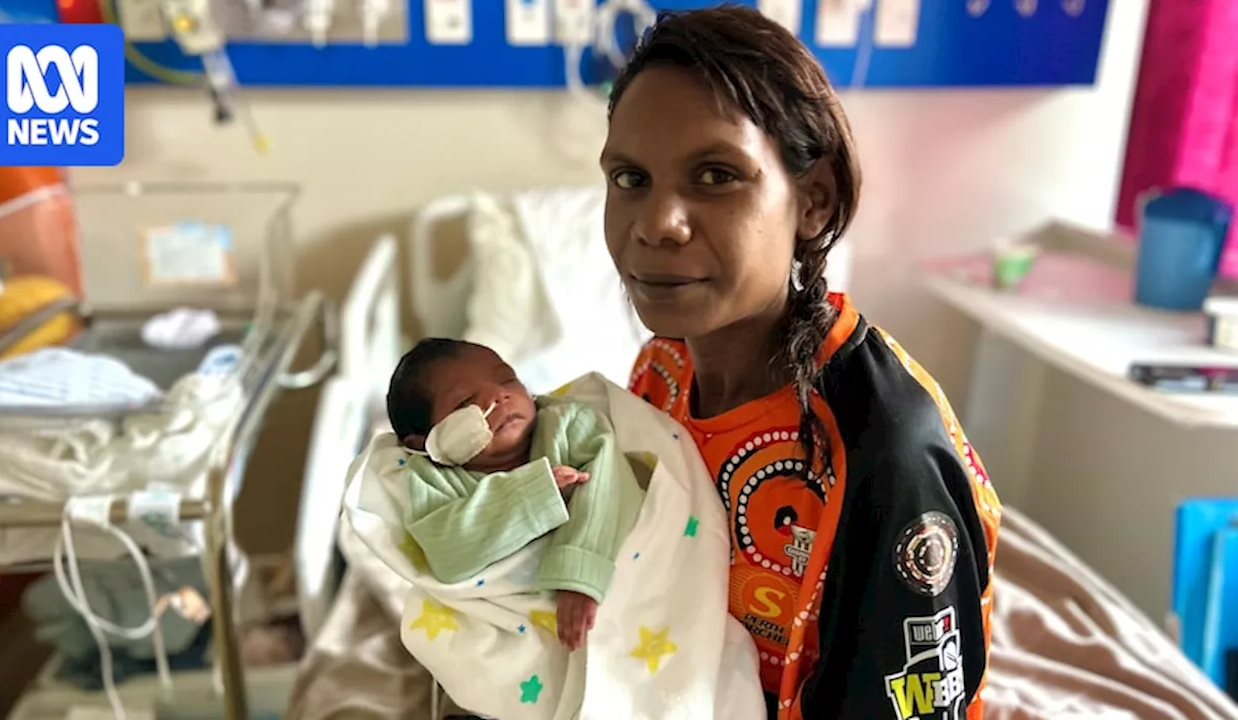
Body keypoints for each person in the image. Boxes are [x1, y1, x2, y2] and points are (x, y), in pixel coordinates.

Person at [604, 7, 1002, 720]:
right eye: (630, 178)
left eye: (717, 175)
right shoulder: (659, 372)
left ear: (812, 202)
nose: (656, 222)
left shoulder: (882, 455)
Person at [385, 338, 644, 652]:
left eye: (506, 378)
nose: (499, 394)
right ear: (424, 443)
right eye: (466, 402)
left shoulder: (568, 425)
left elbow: (609, 489)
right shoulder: (431, 479)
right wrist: (533, 493)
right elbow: (448, 553)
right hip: (510, 633)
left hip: (613, 593)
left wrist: (580, 574)